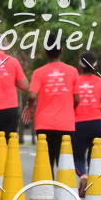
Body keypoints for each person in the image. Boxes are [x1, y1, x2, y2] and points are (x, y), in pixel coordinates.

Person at [21, 37, 79, 173]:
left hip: (44, 124)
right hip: (66, 124)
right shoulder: (73, 71)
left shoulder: (38, 72)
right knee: (64, 164)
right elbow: (77, 98)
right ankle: (64, 192)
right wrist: (70, 110)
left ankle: (47, 193)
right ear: (61, 51)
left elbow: (32, 95)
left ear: (46, 52)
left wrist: (30, 106)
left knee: (47, 163)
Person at [74, 52, 101, 196]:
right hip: (98, 123)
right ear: (95, 66)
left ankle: (83, 175)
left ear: (80, 65)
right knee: (94, 154)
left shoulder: (75, 81)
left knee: (77, 156)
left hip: (79, 123)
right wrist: (99, 111)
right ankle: (91, 182)